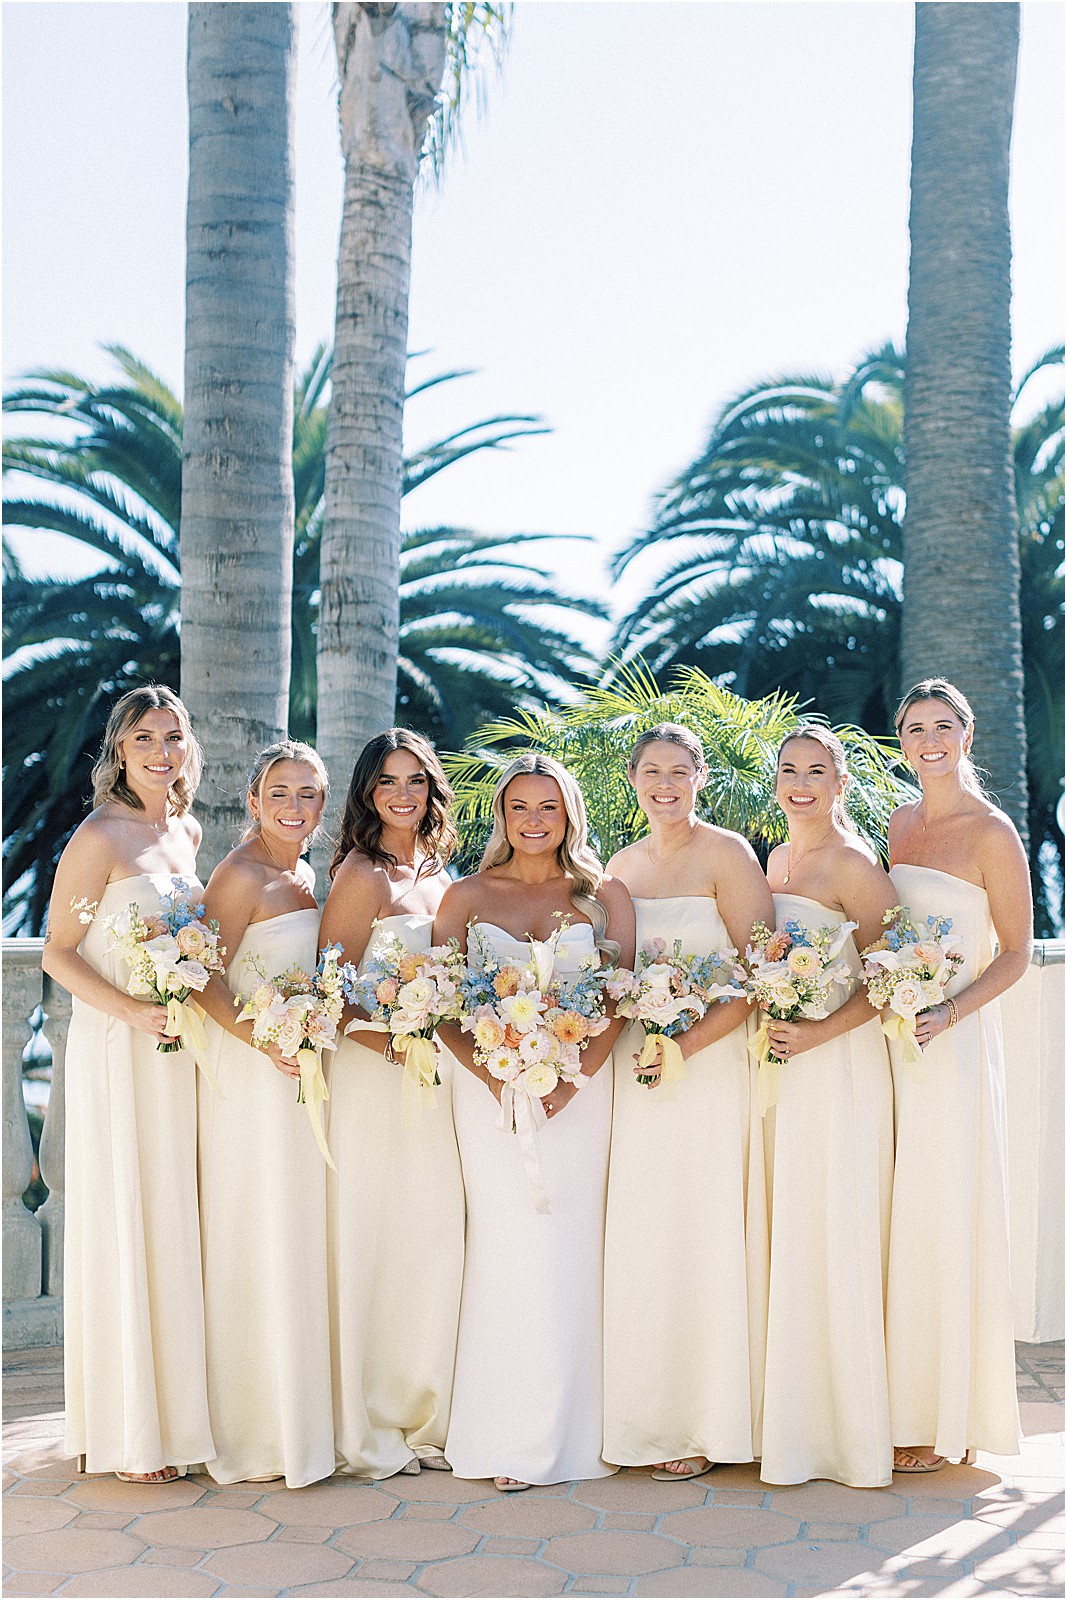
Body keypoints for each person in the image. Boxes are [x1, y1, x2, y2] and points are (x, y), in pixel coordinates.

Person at [436, 753, 635, 1491]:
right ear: (501, 815)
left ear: (568, 815)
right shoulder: (465, 896)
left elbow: (619, 1000)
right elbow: (441, 1007)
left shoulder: (602, 896)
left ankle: (575, 1433)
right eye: (519, 806)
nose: (533, 820)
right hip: (487, 1097)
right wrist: (495, 1077)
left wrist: (568, 1083)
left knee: (571, 1248)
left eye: (548, 806)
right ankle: (505, 1434)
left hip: (580, 1094)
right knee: (505, 1246)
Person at [42, 685, 214, 1482]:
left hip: (176, 1050)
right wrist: (135, 1013)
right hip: (120, 1045)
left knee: (171, 1217)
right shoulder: (99, 835)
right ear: (118, 748)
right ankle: (128, 1430)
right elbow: (58, 952)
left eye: (172, 736)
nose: (160, 751)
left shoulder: (186, 830)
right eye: (143, 737)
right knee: (125, 1216)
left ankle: (176, 1418)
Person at [602, 723, 773, 1482]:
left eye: (679, 771)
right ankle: (647, 1414)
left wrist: (687, 1043)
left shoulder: (728, 854)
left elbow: (759, 972)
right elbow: (612, 972)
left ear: (700, 777)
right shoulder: (619, 866)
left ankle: (709, 1420)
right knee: (645, 1232)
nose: (665, 785)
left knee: (704, 1229)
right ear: (632, 780)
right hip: (637, 1070)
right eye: (652, 772)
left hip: (706, 1068)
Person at [886, 678, 1031, 1472]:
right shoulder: (897, 825)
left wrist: (949, 1011)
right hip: (896, 1047)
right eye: (915, 728)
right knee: (902, 1218)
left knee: (947, 1212)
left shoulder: (991, 832)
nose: (930, 740)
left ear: (966, 736)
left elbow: (1014, 954)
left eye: (943, 726)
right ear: (901, 740)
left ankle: (950, 1417)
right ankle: (903, 1402)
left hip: (955, 1043)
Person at [319, 729, 464, 1479]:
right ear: (366, 793)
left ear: (432, 789)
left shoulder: (439, 870)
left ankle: (428, 1409)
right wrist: (398, 1045)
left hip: (439, 1080)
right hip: (378, 1079)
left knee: (434, 1237)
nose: (402, 795)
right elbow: (331, 992)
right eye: (386, 782)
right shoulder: (361, 873)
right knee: (379, 1238)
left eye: (415, 780)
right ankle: (372, 1417)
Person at [759, 725, 897, 1487]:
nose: (800, 783)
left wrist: (816, 1035)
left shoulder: (853, 864)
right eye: (789, 770)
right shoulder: (774, 860)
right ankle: (793, 1414)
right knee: (793, 1227)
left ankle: (846, 1432)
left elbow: (889, 978)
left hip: (838, 1063)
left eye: (816, 771)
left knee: (835, 1223)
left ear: (840, 783)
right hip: (782, 1067)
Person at [196, 741, 334, 1487]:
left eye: (308, 793)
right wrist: (264, 1039)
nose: (293, 806)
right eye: (279, 792)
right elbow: (201, 978)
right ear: (253, 801)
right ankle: (256, 1427)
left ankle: (302, 1411)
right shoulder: (240, 874)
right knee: (258, 1228)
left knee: (297, 1230)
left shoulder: (308, 874)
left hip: (300, 1073)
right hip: (255, 1075)